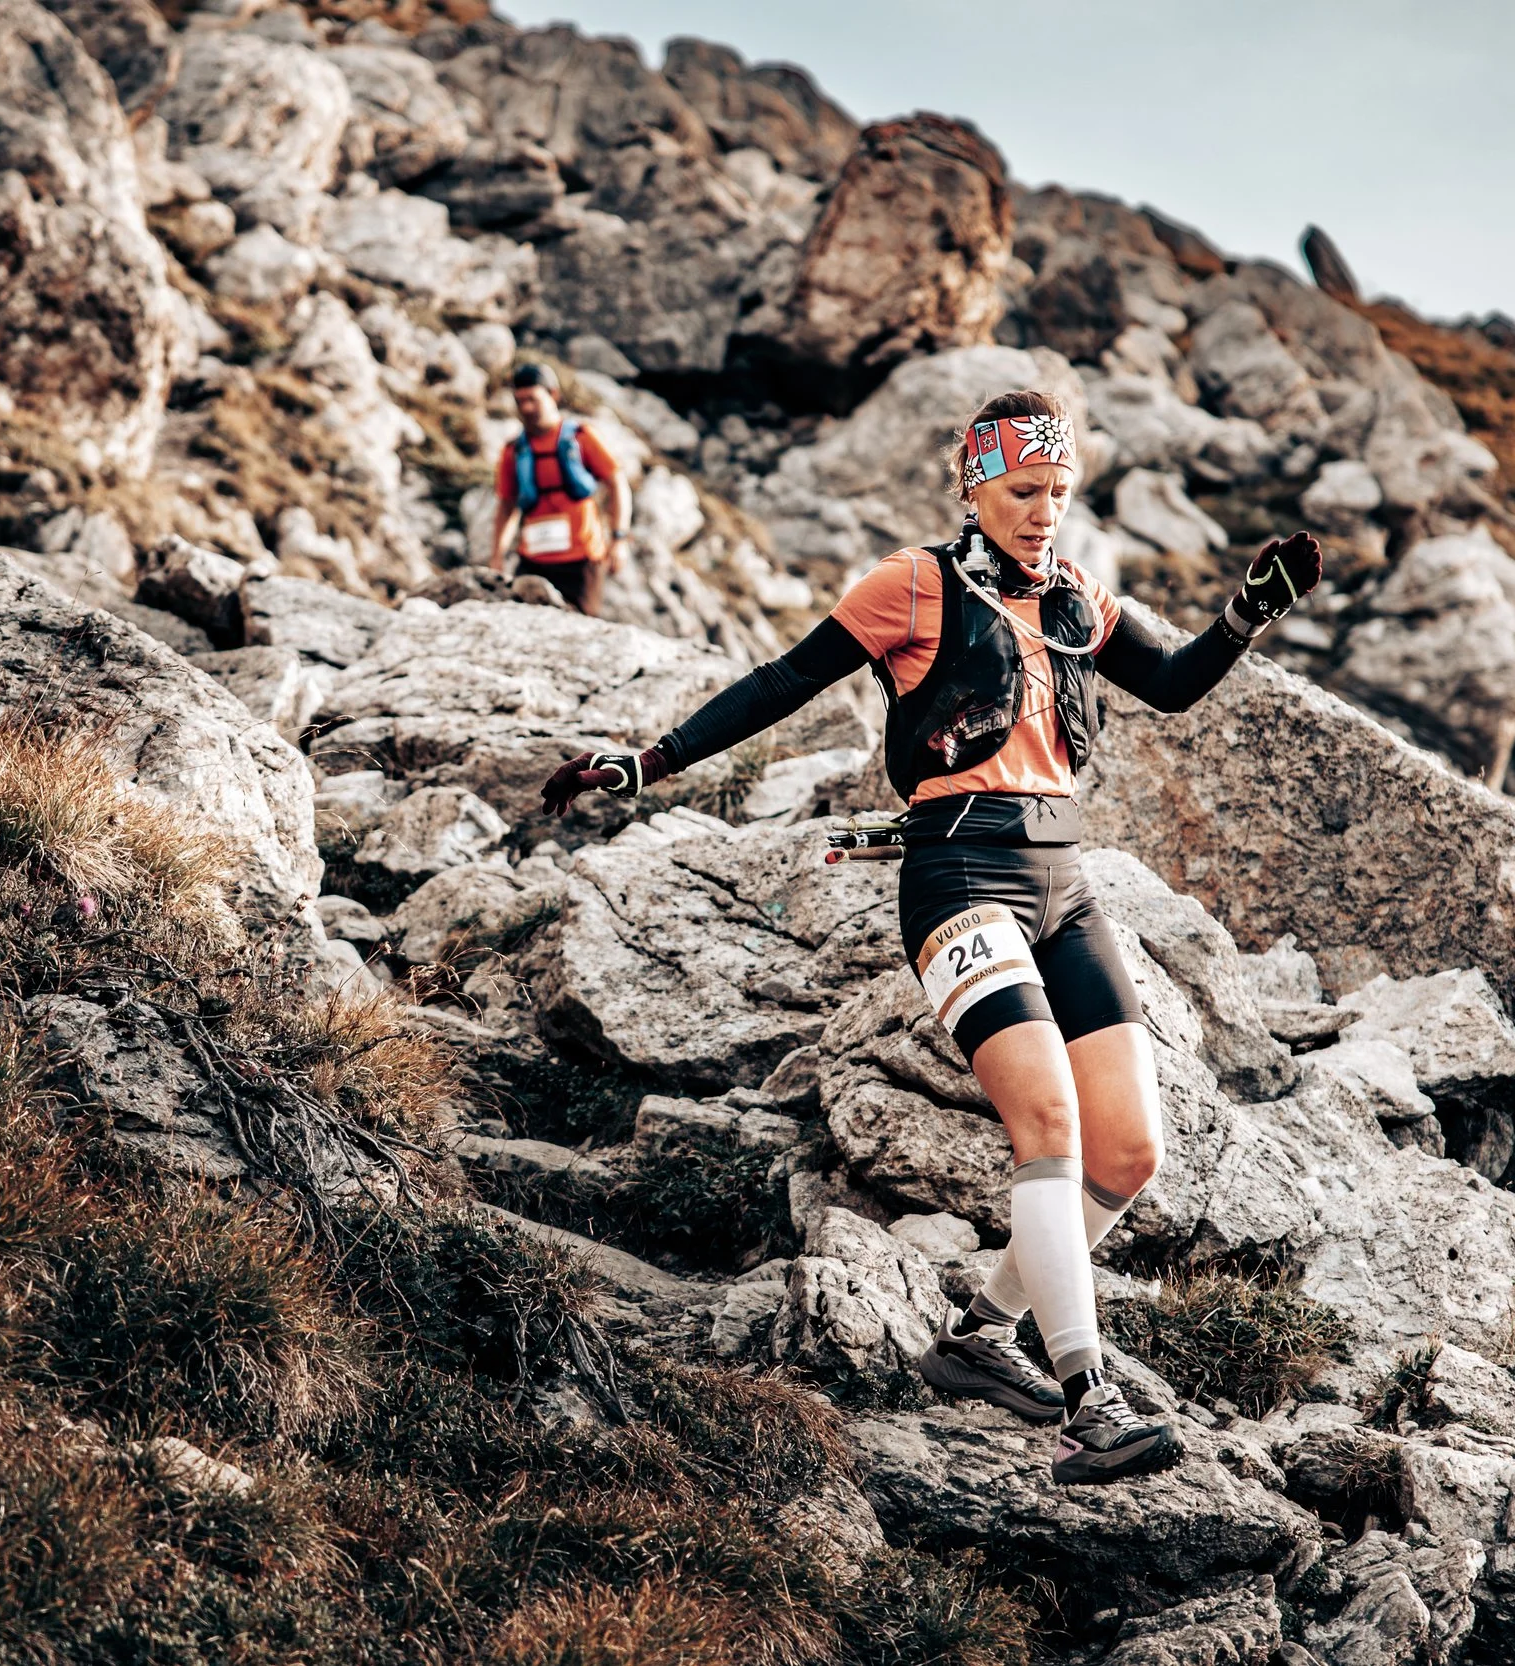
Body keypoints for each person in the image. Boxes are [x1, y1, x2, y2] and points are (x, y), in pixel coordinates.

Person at [541, 389, 1322, 1485]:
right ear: (972, 486)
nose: (1043, 512)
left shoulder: (1076, 598)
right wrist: (644, 764)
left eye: (1057, 492)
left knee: (1130, 1152)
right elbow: (778, 683)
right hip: (957, 874)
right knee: (1045, 1122)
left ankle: (978, 1341)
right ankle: (1086, 1399)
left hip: (1065, 882)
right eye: (1021, 493)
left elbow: (1178, 683)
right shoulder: (910, 584)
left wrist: (1247, 613)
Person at [491, 362, 633, 616]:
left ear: (553, 394)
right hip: (532, 560)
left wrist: (619, 539)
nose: (526, 408)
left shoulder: (581, 438)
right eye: (519, 401)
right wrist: (497, 556)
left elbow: (617, 484)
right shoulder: (513, 451)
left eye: (533, 399)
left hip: (582, 561)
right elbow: (506, 505)